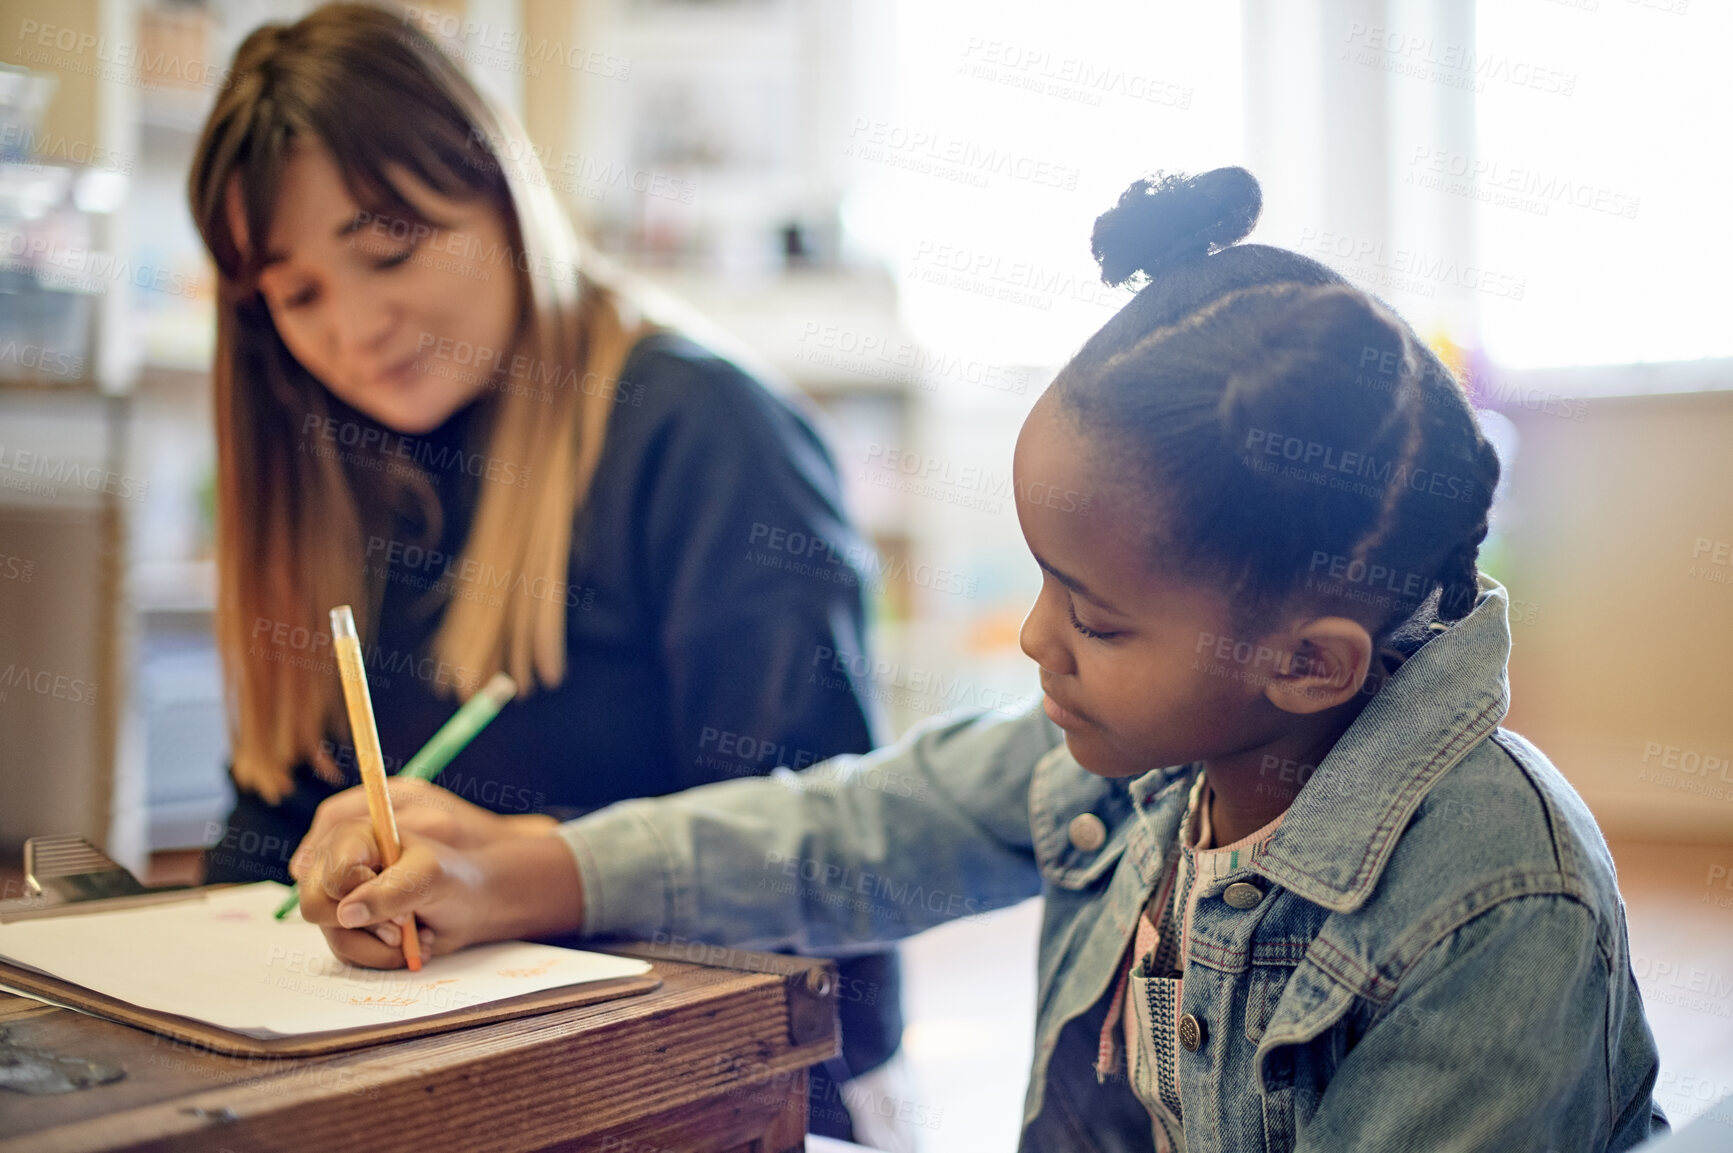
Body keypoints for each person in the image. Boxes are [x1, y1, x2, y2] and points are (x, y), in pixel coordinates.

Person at [292, 167, 1670, 1151]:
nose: (1033, 640)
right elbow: (854, 828)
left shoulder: (1496, 910)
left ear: (1307, 663)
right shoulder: (1160, 748)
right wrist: (522, 867)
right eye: (1045, 585)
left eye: (1097, 615)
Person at [187, 4, 910, 1145]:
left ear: (498, 191)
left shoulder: (702, 432)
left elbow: (832, 901)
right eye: (296, 294)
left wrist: (510, 871)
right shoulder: (337, 463)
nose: (357, 328)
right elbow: (264, 833)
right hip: (399, 1075)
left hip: (685, 1091)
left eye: (387, 247)